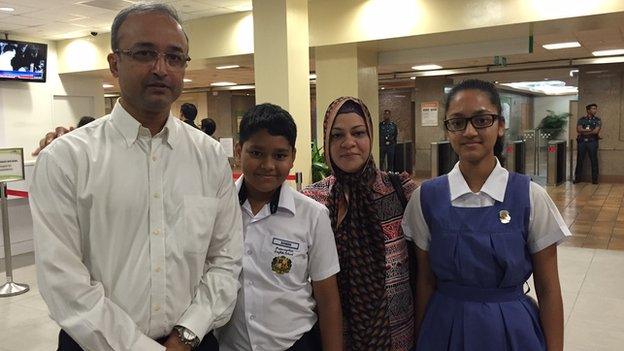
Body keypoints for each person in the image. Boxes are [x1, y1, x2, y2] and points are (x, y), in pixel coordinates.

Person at [29, 3, 242, 351]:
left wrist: (187, 334)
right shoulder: (67, 160)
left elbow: (226, 258)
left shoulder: (209, 157)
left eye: (174, 57)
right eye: (144, 53)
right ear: (115, 64)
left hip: (192, 342)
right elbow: (63, 282)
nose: (161, 68)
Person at [402, 79, 570, 351]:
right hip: (444, 328)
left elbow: (549, 290)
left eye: (481, 120)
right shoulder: (426, 199)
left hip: (512, 329)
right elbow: (425, 281)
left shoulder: (530, 196)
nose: (469, 131)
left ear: (500, 125)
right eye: (457, 122)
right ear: (448, 129)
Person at [216, 103, 343, 351]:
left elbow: (328, 300)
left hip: (294, 344)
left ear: (293, 157)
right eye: (256, 153)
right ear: (239, 150)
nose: (268, 165)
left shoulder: (312, 216)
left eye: (280, 155)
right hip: (230, 344)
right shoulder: (218, 208)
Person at [303, 97, 417, 351]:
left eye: (358, 133)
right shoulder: (313, 201)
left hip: (396, 336)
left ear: (370, 137)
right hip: (334, 338)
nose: (349, 143)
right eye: (337, 135)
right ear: (326, 141)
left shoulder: (401, 191)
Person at [574, 103, 601, 184]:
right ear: (588, 110)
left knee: (594, 160)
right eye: (593, 109)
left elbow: (596, 131)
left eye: (595, 109)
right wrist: (590, 130)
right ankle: (577, 178)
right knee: (579, 160)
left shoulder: (597, 120)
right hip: (582, 142)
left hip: (592, 142)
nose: (595, 110)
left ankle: (594, 180)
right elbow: (579, 130)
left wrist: (584, 130)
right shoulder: (581, 119)